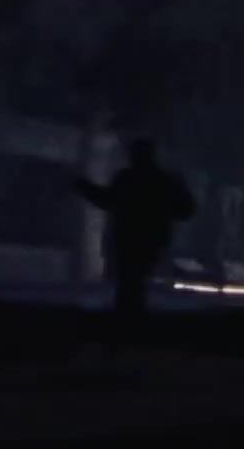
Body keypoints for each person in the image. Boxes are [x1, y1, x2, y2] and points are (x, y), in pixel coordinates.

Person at [75, 138, 196, 339]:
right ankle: (132, 331)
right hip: (150, 242)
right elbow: (186, 210)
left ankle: (127, 331)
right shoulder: (162, 180)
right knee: (133, 285)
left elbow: (107, 199)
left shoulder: (129, 178)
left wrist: (83, 187)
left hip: (128, 241)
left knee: (129, 286)